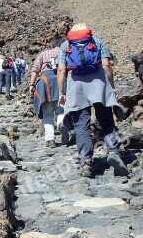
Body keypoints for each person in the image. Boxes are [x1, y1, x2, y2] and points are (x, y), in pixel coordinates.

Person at [57, 23, 128, 178]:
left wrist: (61, 92)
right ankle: (114, 152)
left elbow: (62, 69)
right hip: (100, 84)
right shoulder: (96, 40)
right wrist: (111, 86)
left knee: (81, 125)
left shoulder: (65, 45)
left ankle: (86, 161)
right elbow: (106, 65)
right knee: (107, 120)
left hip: (76, 87)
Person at [29, 36, 68, 148]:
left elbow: (35, 69)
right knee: (61, 109)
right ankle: (61, 123)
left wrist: (31, 84)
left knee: (47, 113)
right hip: (61, 82)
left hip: (45, 84)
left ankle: (50, 139)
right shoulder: (64, 52)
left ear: (51, 45)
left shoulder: (42, 54)